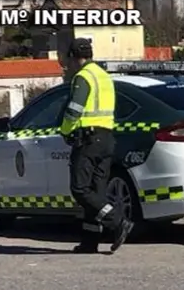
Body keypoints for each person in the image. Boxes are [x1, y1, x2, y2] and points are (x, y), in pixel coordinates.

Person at [60, 38, 134, 254]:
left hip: (89, 139)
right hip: (106, 138)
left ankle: (118, 220)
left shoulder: (83, 77)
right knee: (96, 191)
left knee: (80, 188)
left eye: (68, 59)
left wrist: (65, 130)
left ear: (73, 57)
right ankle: (90, 241)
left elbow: (74, 109)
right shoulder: (104, 76)